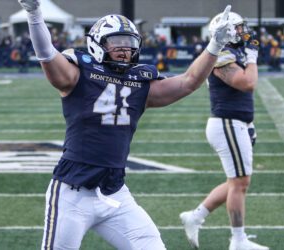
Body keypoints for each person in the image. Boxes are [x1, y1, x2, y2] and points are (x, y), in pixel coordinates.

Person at [17, 0, 235, 249]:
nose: (124, 49)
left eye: (129, 43)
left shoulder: (139, 83)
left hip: (114, 190)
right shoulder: (77, 74)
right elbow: (46, 54)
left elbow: (188, 82)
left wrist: (215, 45)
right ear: (98, 44)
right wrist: (34, 13)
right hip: (73, 191)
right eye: (116, 42)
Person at [179, 11, 269, 250]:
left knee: (236, 182)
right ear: (226, 32)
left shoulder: (234, 51)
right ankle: (238, 241)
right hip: (227, 123)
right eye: (238, 28)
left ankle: (195, 216)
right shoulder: (222, 54)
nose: (243, 32)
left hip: (237, 123)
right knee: (240, 183)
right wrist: (252, 58)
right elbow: (247, 83)